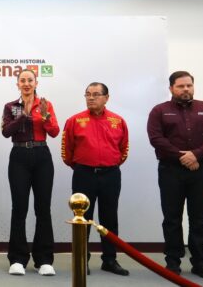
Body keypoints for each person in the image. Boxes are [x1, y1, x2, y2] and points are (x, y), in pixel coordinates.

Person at [147, 71, 203, 280]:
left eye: (189, 85)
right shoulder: (159, 111)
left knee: (199, 217)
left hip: (201, 170)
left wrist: (196, 155)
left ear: (193, 86)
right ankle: (172, 263)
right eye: (181, 86)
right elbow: (156, 138)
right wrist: (183, 157)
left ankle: (200, 263)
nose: (186, 89)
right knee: (172, 218)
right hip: (170, 171)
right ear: (171, 88)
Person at [61, 82, 129, 276]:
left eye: (96, 94)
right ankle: (82, 260)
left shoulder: (118, 121)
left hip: (111, 175)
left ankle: (110, 260)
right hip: (84, 174)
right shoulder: (75, 120)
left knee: (110, 218)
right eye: (88, 94)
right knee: (83, 220)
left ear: (106, 98)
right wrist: (83, 166)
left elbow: (123, 150)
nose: (91, 98)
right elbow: (67, 151)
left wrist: (109, 164)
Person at [1, 68, 59, 276]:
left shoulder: (45, 104)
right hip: (19, 157)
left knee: (43, 208)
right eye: (22, 80)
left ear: (36, 83)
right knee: (19, 208)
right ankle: (17, 259)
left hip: (42, 156)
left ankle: (44, 259)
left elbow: (54, 131)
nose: (26, 83)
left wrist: (44, 116)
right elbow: (6, 132)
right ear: (17, 84)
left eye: (30, 80)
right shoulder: (11, 106)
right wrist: (22, 116)